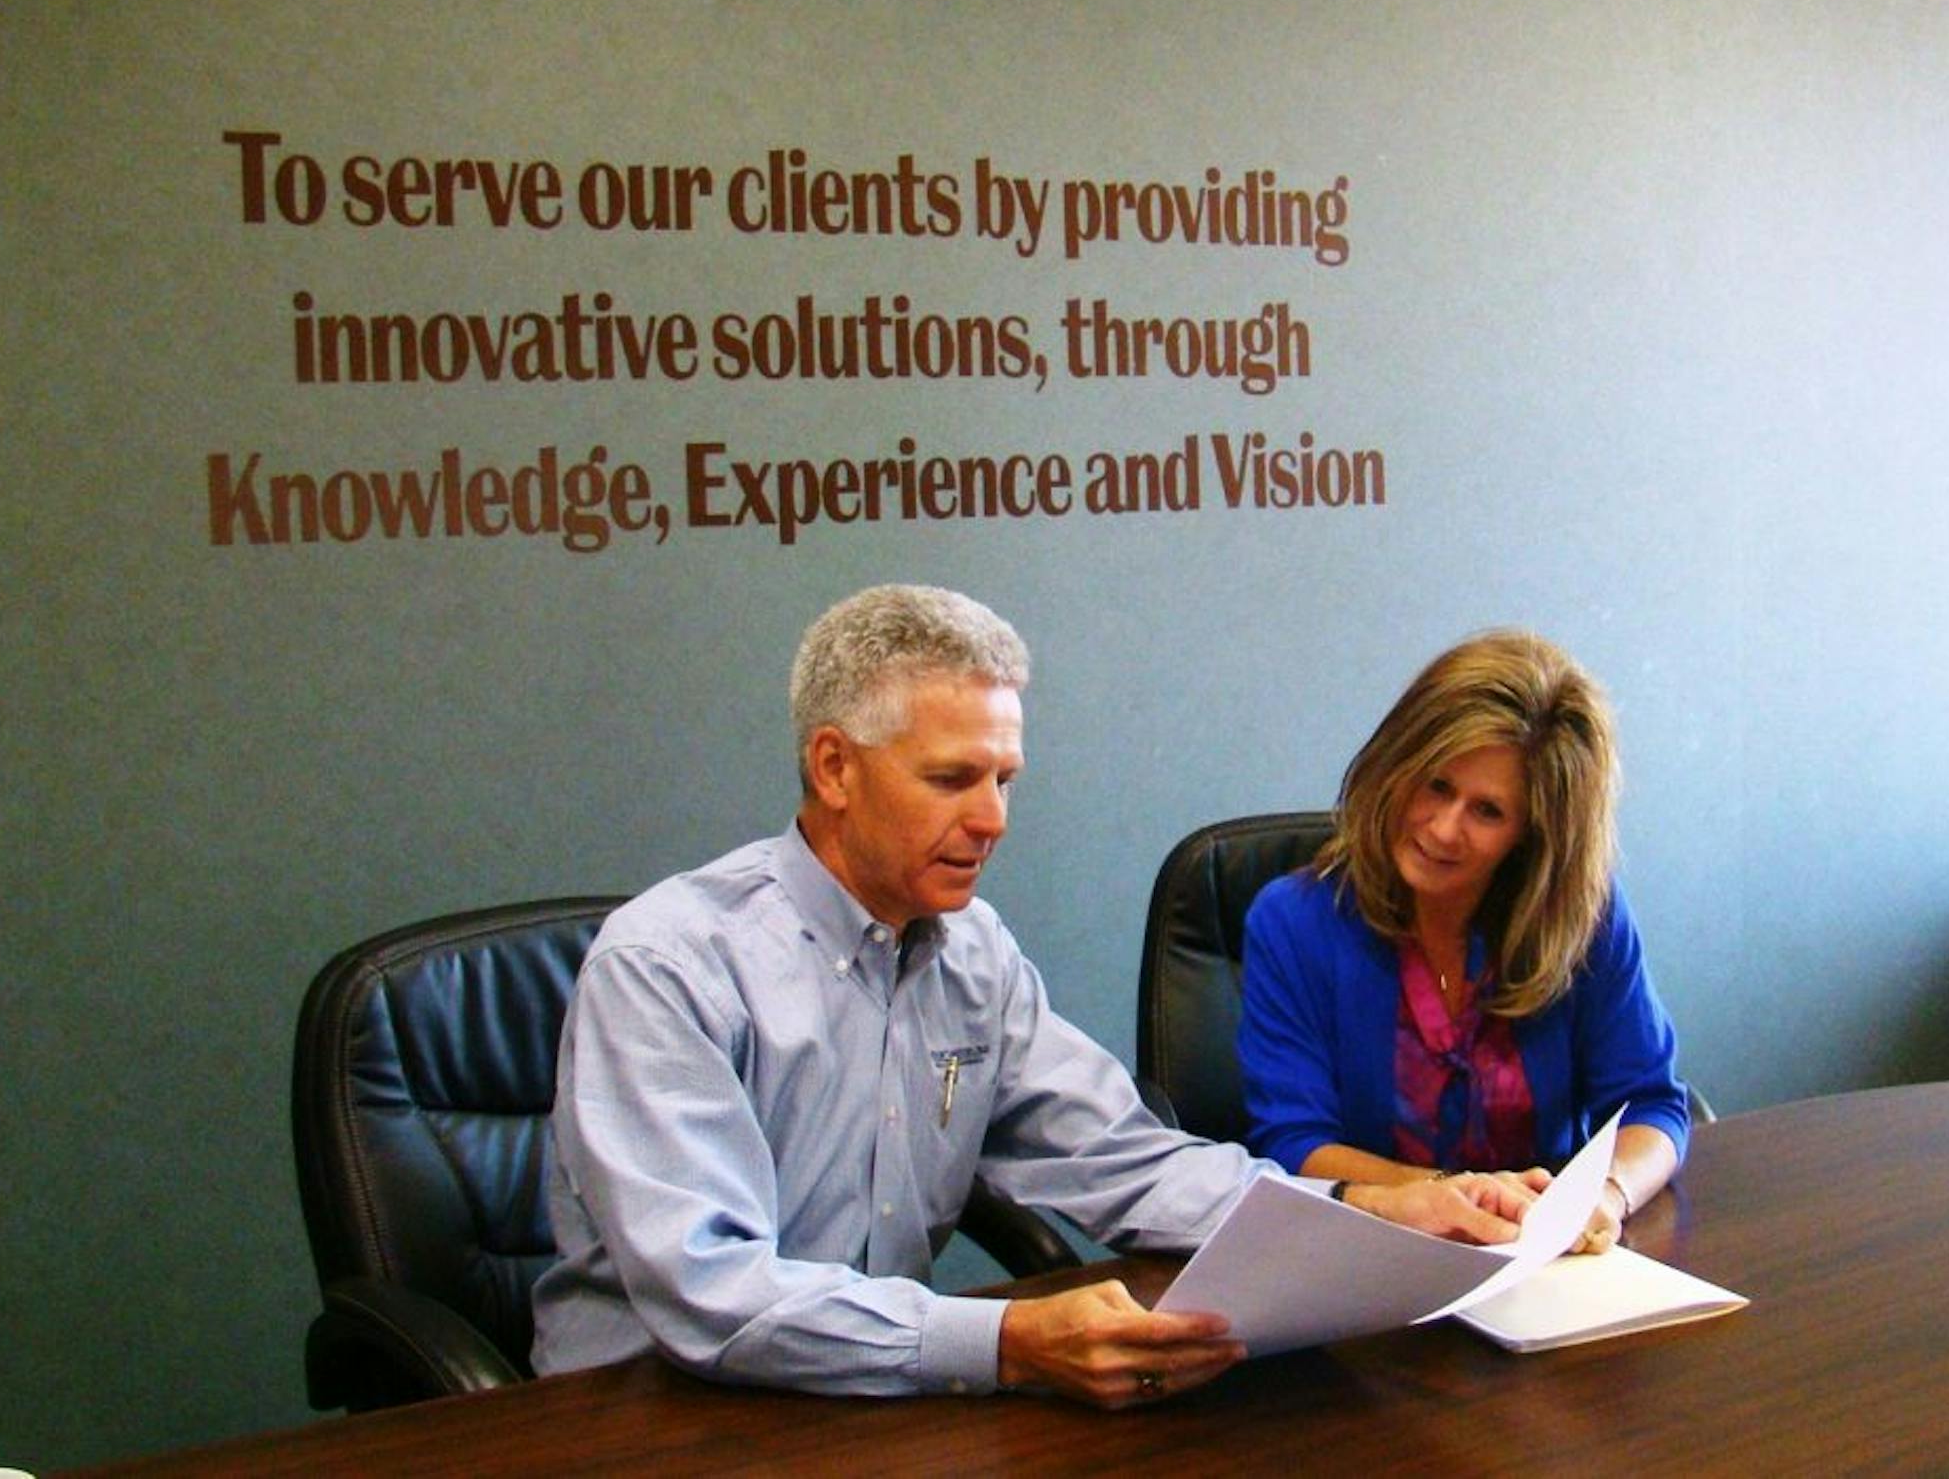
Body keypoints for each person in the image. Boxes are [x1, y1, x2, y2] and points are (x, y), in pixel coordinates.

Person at [532, 584, 1530, 1408]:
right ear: (834, 767)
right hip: (641, 1418)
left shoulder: (970, 951)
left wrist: (1377, 1209)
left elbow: (1126, 1163)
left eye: (1006, 779)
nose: (992, 819)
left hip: (856, 1406)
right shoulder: (669, 965)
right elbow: (716, 1296)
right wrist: (1007, 1339)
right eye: (953, 778)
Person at [1237, 630, 1689, 1255]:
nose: (1444, 830)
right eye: (1436, 786)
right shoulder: (1295, 920)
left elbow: (1654, 1107)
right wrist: (1456, 1197)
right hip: (1372, 1253)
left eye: (1488, 812)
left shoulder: (1584, 916)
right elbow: (1295, 1144)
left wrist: (1601, 1197)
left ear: (1533, 833)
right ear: (1396, 767)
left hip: (1543, 1254)